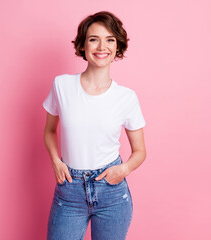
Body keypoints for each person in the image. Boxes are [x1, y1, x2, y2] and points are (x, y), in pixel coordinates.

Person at [42, 11, 147, 240]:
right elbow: (49, 131)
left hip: (111, 192)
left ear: (118, 47)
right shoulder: (62, 85)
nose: (102, 46)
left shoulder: (126, 97)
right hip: (69, 190)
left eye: (110, 39)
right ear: (83, 45)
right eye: (93, 39)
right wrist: (55, 161)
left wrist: (123, 170)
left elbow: (140, 152)